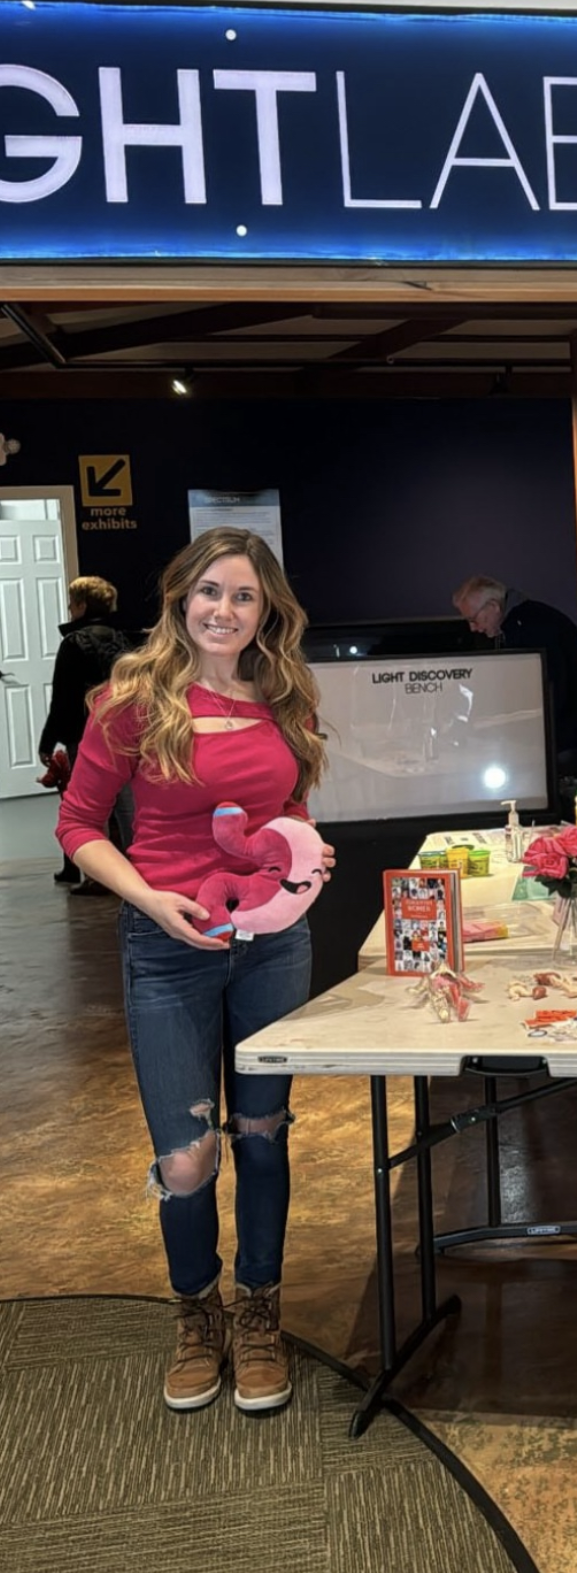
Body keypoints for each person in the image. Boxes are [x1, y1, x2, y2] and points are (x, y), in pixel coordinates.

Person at [56, 528, 331, 1414]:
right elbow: (79, 825)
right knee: (186, 1157)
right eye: (210, 591)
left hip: (273, 948)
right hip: (167, 948)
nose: (224, 610)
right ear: (182, 597)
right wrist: (147, 899)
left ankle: (259, 1309)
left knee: (263, 1135)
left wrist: (300, 871)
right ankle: (195, 1311)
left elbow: (286, 811)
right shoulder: (132, 700)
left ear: (266, 610)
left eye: (244, 596)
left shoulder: (284, 696)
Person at [452, 573, 577, 800]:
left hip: (574, 736)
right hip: (574, 732)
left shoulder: (529, 627)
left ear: (493, 606)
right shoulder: (527, 619)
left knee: (573, 810)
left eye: (474, 619)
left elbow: (549, 690)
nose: (473, 628)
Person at [38, 575, 132, 892]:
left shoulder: (73, 643)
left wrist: (47, 741)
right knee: (128, 807)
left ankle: (98, 875)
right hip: (123, 733)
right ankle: (140, 868)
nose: (68, 607)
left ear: (80, 605)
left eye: (70, 601)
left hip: (85, 733)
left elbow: (62, 697)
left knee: (92, 808)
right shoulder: (121, 640)